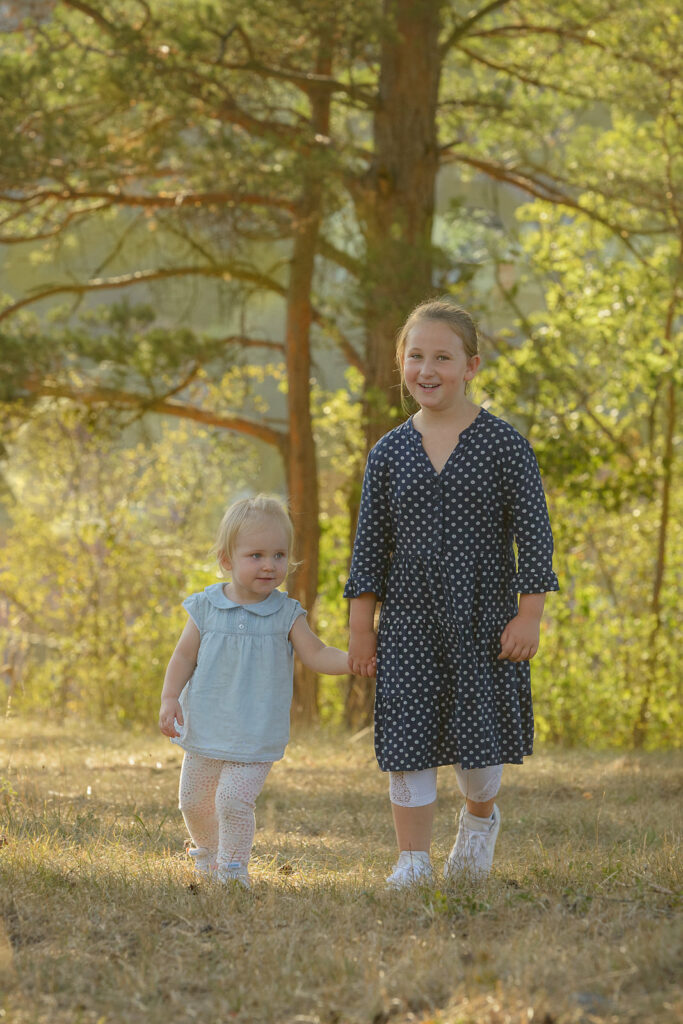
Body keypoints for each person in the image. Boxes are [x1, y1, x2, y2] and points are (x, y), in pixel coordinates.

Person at [345, 299, 559, 888]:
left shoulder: (504, 446)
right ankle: (412, 860)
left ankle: (479, 823)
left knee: (478, 752)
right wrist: (362, 628)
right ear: (402, 364)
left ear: (472, 366)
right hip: (410, 616)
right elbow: (369, 548)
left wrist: (529, 616)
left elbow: (535, 539)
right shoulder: (388, 453)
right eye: (416, 356)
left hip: (484, 616)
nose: (427, 368)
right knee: (408, 738)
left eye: (443, 356)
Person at [159, 495, 354, 888]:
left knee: (232, 801)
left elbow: (316, 654)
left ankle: (232, 869)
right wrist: (168, 698)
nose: (270, 564)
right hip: (206, 730)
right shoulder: (206, 608)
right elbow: (182, 657)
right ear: (227, 559)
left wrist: (356, 661)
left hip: (256, 732)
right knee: (194, 803)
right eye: (256, 555)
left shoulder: (287, 613)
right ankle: (208, 856)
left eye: (279, 554)